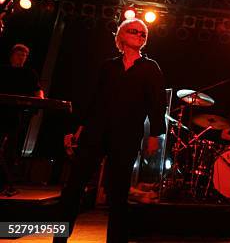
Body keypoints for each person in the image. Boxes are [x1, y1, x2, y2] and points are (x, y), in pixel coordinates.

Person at [53, 18, 166, 243]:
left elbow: (157, 103)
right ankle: (59, 239)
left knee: (118, 193)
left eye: (143, 33)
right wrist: (80, 127)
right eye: (134, 31)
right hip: (95, 131)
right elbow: (93, 98)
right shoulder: (108, 66)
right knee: (74, 187)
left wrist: (155, 134)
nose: (139, 35)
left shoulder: (151, 68)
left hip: (126, 134)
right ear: (121, 36)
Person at [0, 44, 44, 196]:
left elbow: (38, 89)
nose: (22, 58)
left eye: (24, 56)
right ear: (12, 56)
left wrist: (40, 99)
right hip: (1, 111)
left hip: (16, 115)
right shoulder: (3, 70)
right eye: (19, 55)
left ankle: (6, 183)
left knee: (11, 149)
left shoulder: (29, 73)